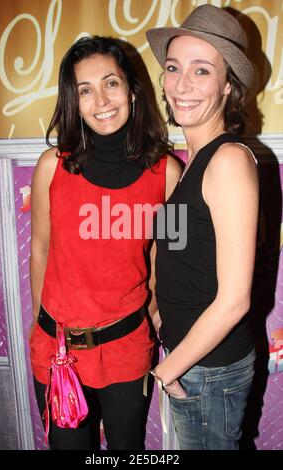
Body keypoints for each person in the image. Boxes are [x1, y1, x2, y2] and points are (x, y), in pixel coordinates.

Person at [29, 35, 182, 450]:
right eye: (85, 89)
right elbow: (40, 250)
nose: (101, 99)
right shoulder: (51, 168)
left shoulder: (168, 173)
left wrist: (147, 316)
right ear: (73, 101)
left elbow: (169, 260)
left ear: (132, 89)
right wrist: (47, 325)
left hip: (126, 350)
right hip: (59, 354)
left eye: (110, 83)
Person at [146, 4, 259, 450]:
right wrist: (158, 314)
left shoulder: (228, 161)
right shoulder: (193, 162)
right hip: (189, 354)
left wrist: (166, 372)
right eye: (174, 68)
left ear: (229, 84)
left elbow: (234, 301)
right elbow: (183, 255)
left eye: (201, 70)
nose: (181, 84)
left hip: (208, 369)